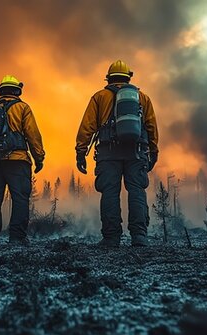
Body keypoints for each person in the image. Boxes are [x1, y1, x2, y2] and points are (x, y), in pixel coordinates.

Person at [75, 60, 159, 248]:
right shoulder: (142, 97)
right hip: (136, 152)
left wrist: (81, 151)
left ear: (109, 78)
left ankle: (111, 238)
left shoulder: (99, 97)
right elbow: (151, 126)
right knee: (137, 190)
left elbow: (87, 126)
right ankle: (139, 236)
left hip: (108, 153)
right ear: (128, 77)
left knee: (110, 192)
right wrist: (153, 150)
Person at [0, 75, 45, 245]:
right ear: (17, 90)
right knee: (19, 199)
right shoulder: (22, 108)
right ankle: (17, 238)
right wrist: (39, 158)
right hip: (17, 161)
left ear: (0, 90)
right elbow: (33, 135)